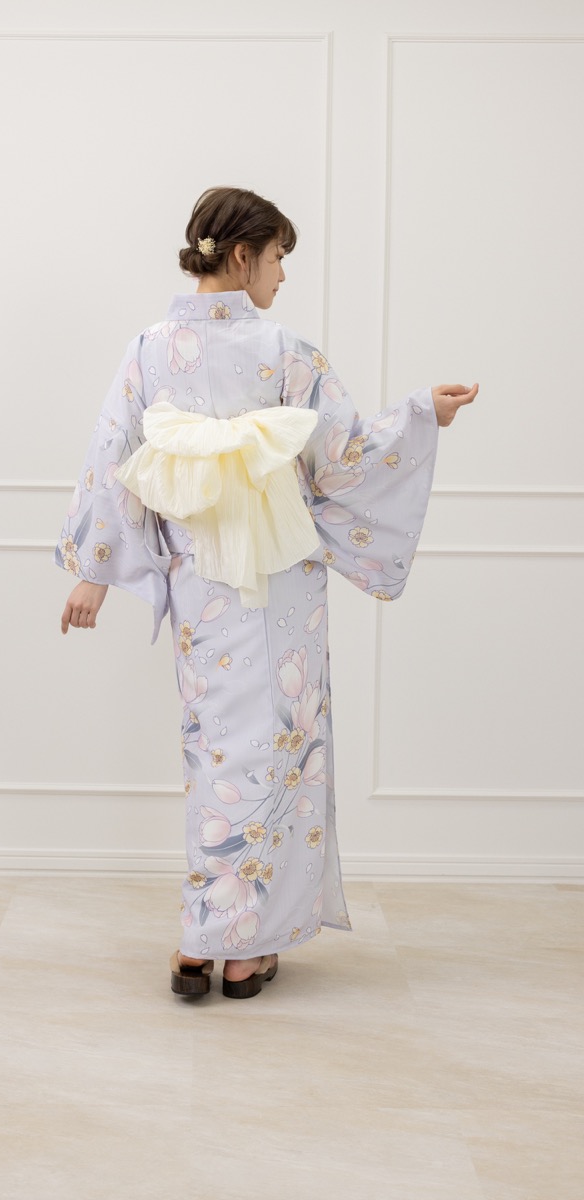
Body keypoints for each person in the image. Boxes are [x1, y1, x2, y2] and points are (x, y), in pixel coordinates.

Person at [58, 186, 478, 1000]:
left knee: (215, 754)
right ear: (243, 255)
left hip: (202, 586)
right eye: (279, 256)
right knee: (280, 752)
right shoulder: (286, 350)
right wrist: (423, 415)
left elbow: (113, 460)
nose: (283, 275)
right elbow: (344, 459)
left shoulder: (148, 351)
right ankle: (243, 951)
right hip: (282, 580)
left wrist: (92, 575)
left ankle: (199, 944)